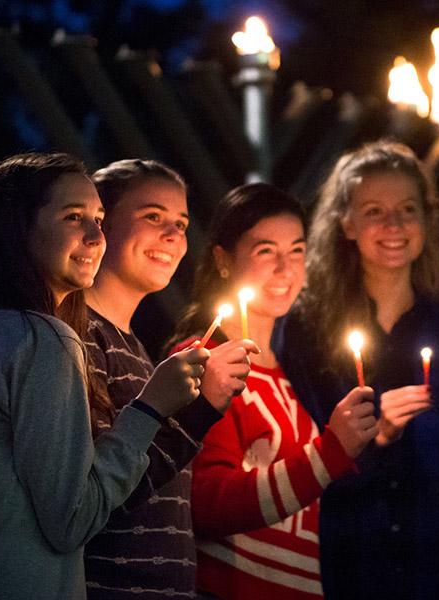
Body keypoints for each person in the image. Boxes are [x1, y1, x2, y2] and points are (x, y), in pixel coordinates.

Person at [0, 153, 207, 599]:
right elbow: (73, 519)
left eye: (99, 218)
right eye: (73, 216)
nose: (97, 235)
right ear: (19, 227)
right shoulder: (42, 339)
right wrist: (150, 407)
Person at [274, 139, 439, 599]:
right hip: (351, 568)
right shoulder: (306, 332)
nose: (394, 225)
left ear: (426, 219)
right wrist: (373, 436)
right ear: (346, 224)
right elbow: (300, 463)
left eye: (407, 209)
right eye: (374, 211)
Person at [168, 183, 379, 599]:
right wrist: (331, 450)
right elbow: (204, 504)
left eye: (297, 250)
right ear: (223, 260)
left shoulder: (291, 375)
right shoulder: (202, 363)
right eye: (266, 251)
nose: (286, 269)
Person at [82, 159, 258, 599]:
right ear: (100, 223)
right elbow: (98, 496)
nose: (175, 236)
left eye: (181, 223)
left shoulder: (139, 350)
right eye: (153, 216)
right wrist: (204, 408)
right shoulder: (78, 337)